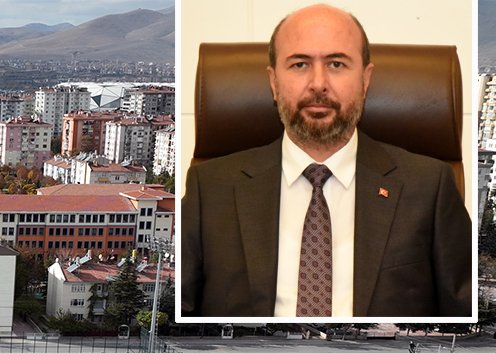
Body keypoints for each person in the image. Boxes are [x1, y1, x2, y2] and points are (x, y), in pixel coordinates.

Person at [180, 3, 471, 319]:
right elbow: (173, 315)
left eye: (336, 64)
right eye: (300, 65)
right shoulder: (209, 190)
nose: (318, 84)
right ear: (274, 82)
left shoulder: (430, 187)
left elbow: (467, 320)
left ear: (365, 79)